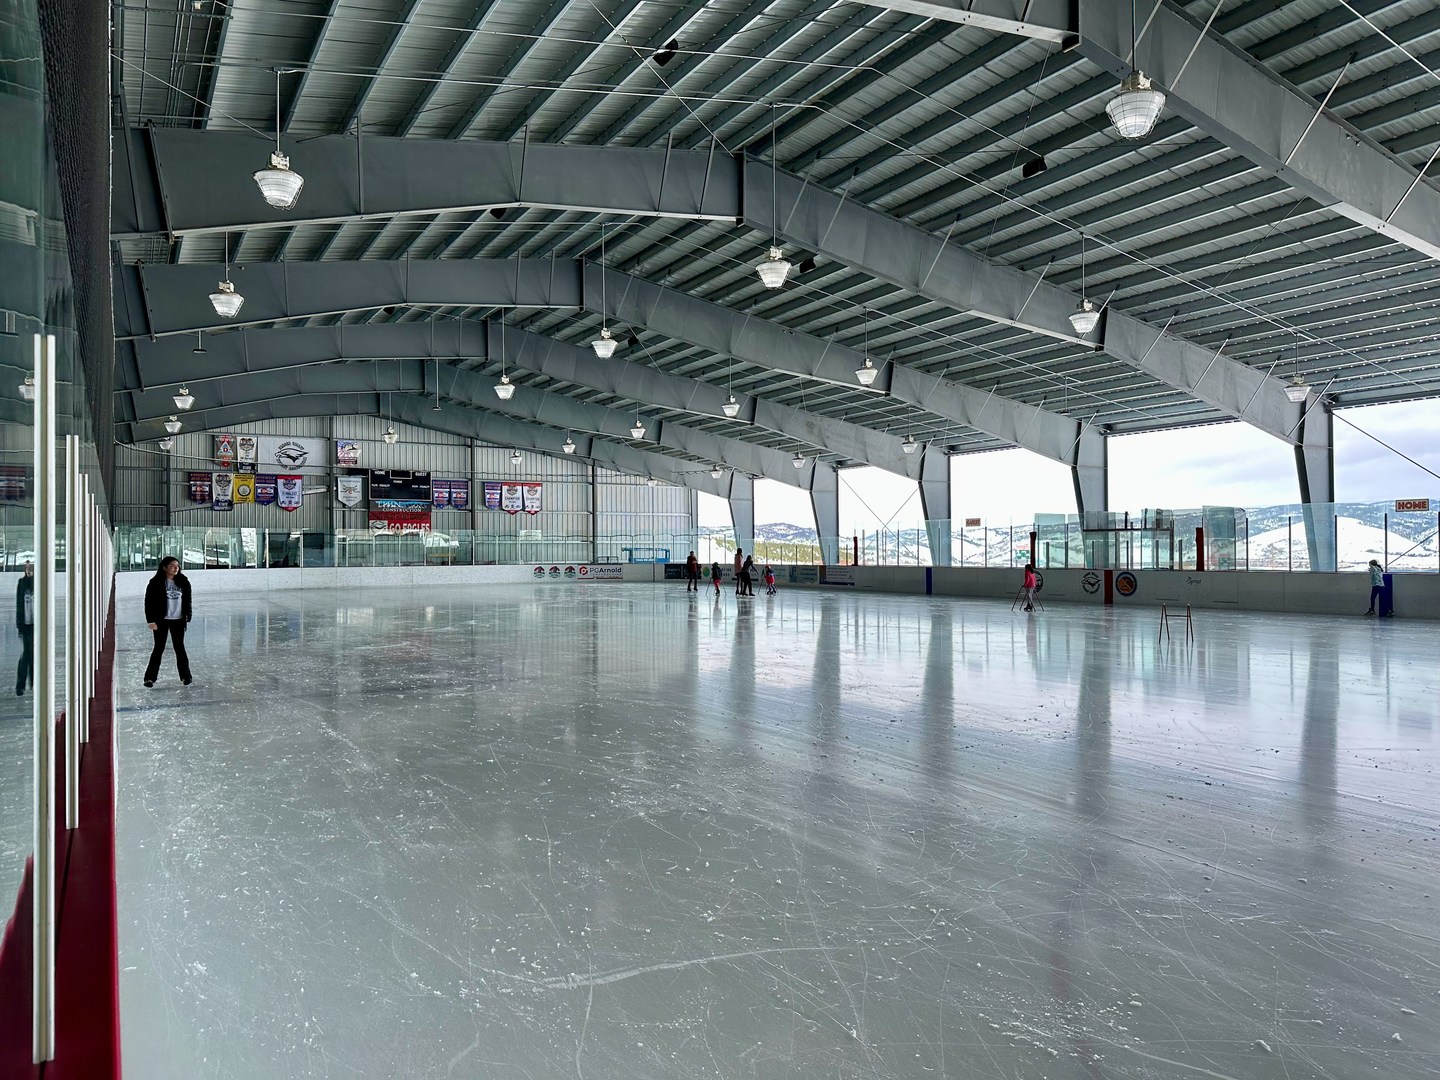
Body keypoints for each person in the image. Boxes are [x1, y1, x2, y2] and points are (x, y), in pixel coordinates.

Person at [144, 556, 193, 687]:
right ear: (164, 567)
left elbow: (188, 600)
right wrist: (151, 621)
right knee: (158, 649)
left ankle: (186, 676)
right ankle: (150, 678)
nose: (176, 567)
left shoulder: (183, 582)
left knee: (180, 648)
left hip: (178, 620)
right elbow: (149, 603)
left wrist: (188, 615)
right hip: (161, 621)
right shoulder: (155, 583)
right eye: (172, 565)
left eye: (177, 565)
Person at [15, 561, 34, 696]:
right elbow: (19, 603)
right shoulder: (22, 583)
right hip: (26, 624)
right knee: (28, 653)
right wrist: (19, 623)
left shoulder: (37, 583)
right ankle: (26, 684)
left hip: (34, 624)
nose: (29, 571)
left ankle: (26, 684)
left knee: (29, 654)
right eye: (27, 569)